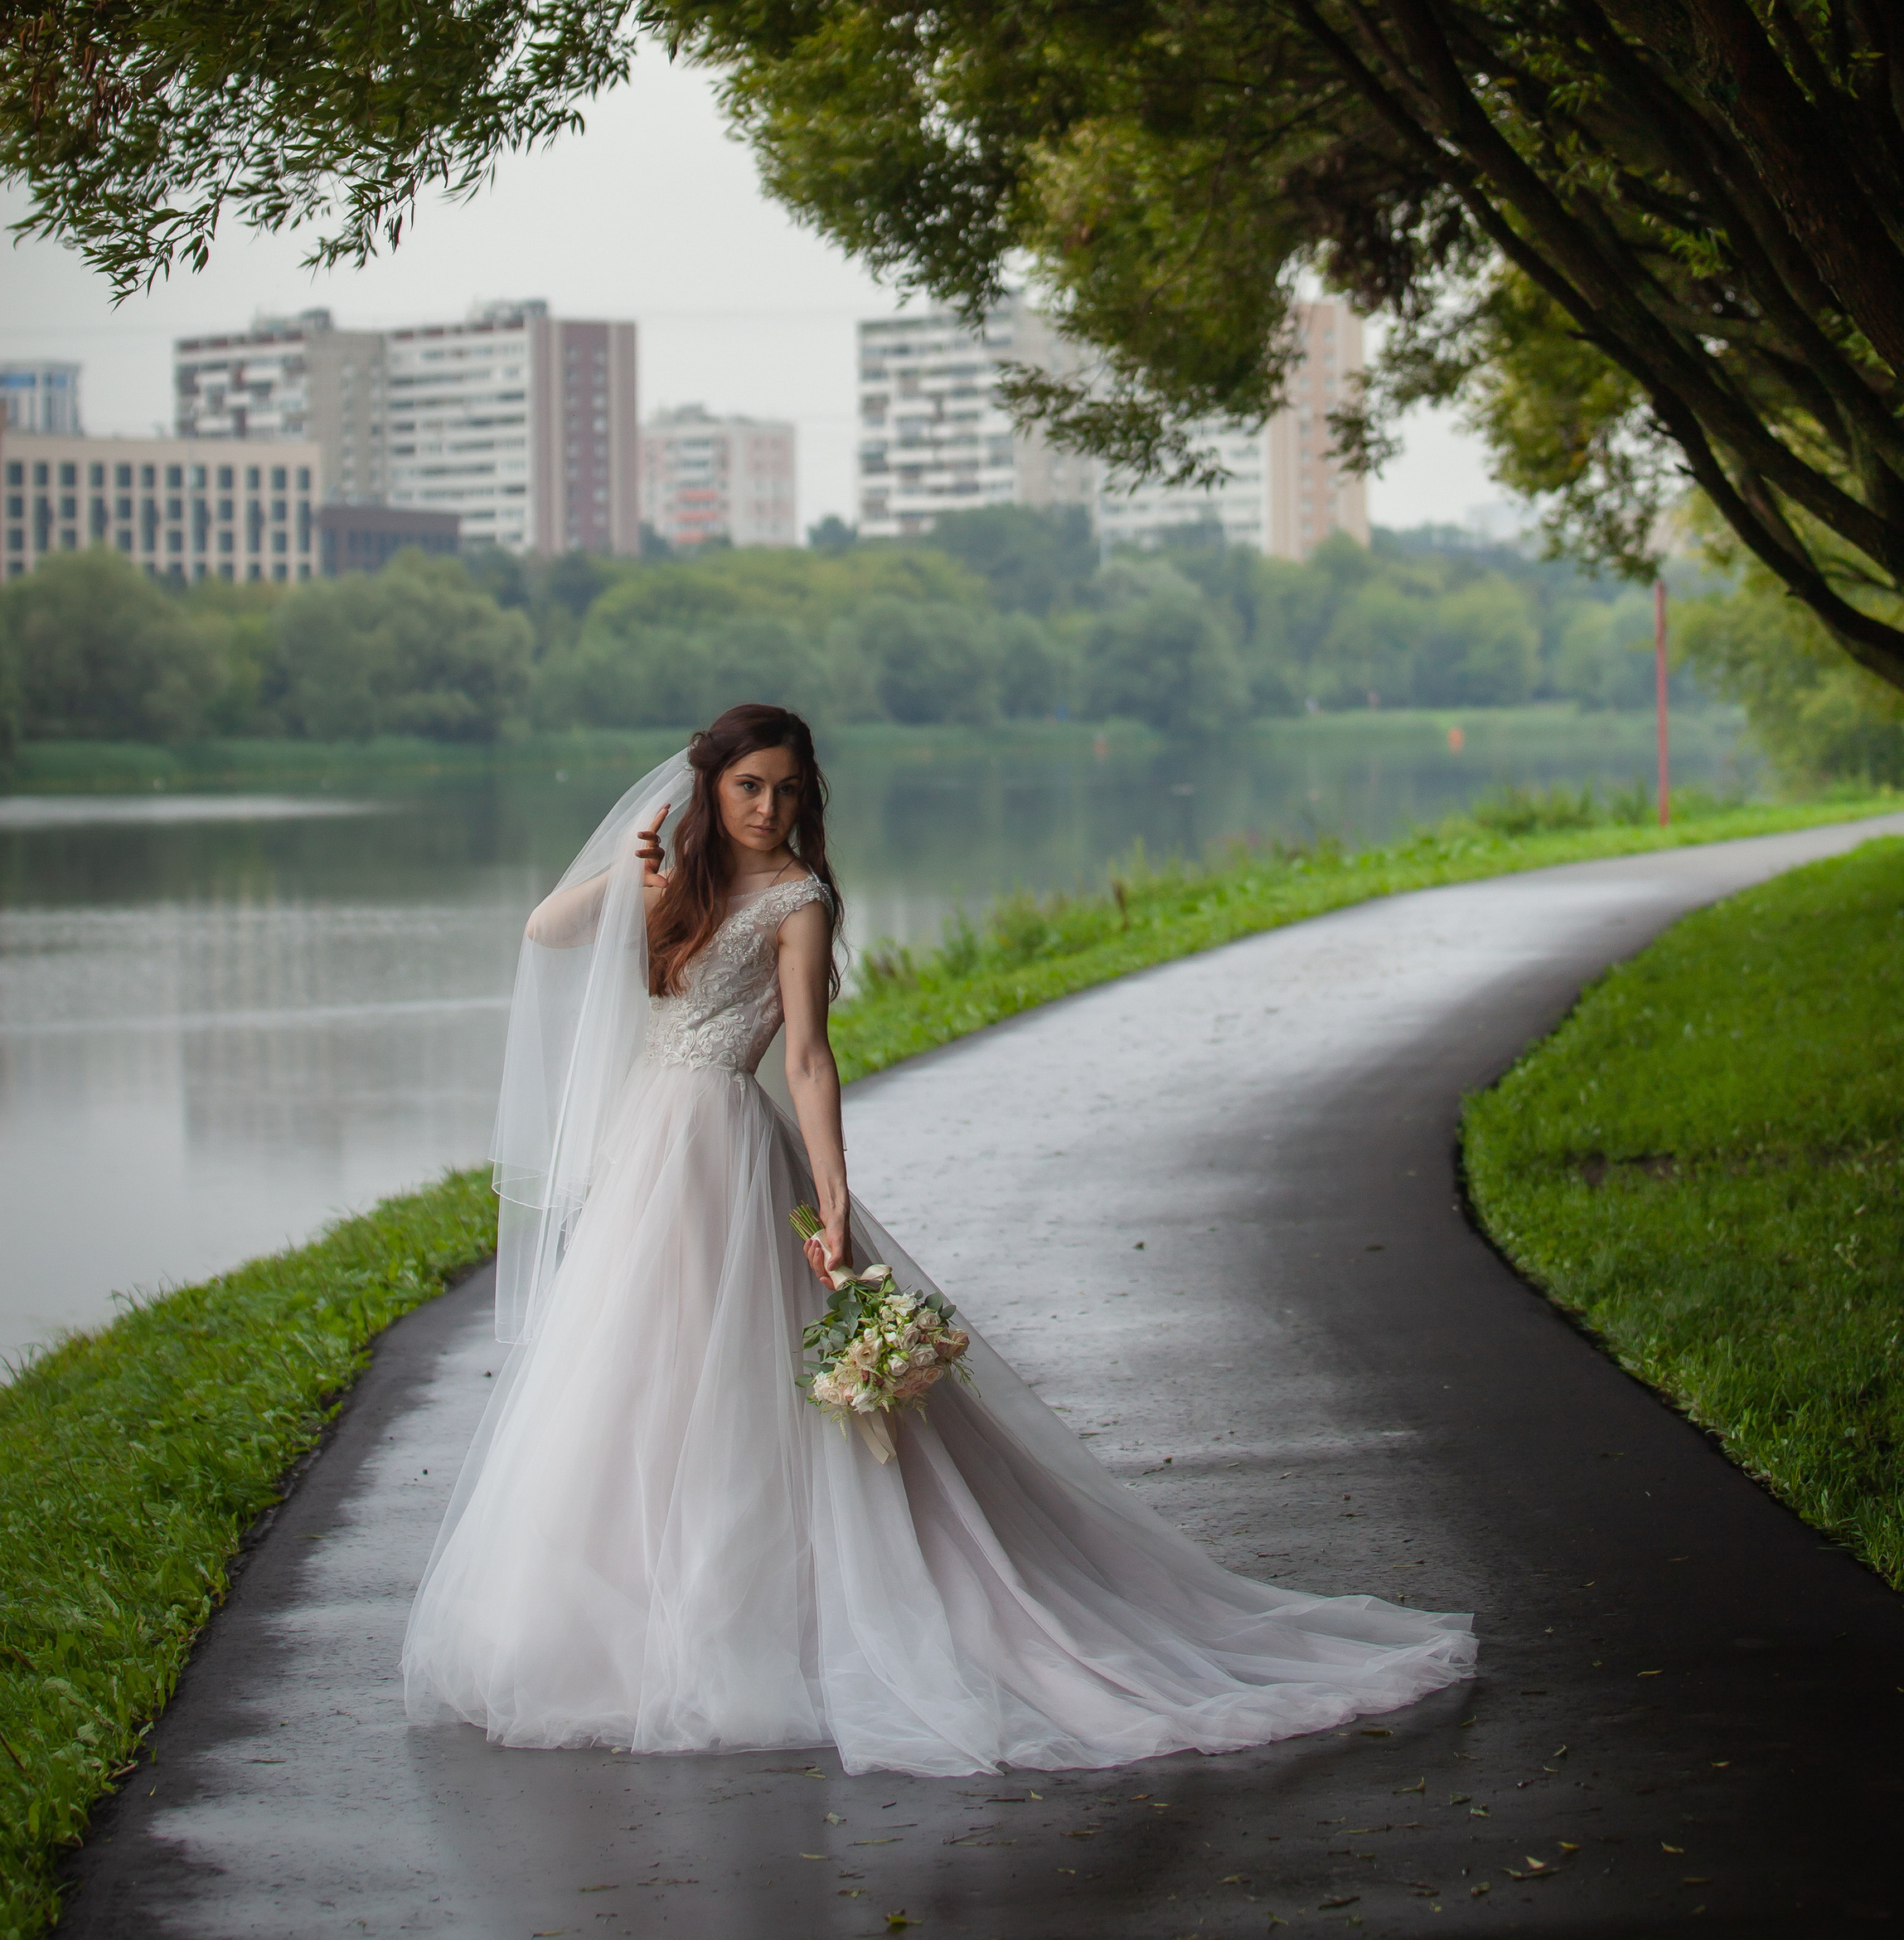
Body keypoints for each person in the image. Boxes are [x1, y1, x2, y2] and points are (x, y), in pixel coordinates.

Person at [402, 701, 1475, 1768]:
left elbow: (807, 1058)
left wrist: (830, 1192)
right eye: (747, 788)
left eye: (785, 790)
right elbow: (546, 931)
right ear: (708, 790)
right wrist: (636, 870)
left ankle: (752, 1618)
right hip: (647, 1150)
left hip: (720, 1143)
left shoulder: (796, 897)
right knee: (629, 1377)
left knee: (737, 1381)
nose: (768, 808)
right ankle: (628, 1623)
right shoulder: (675, 881)